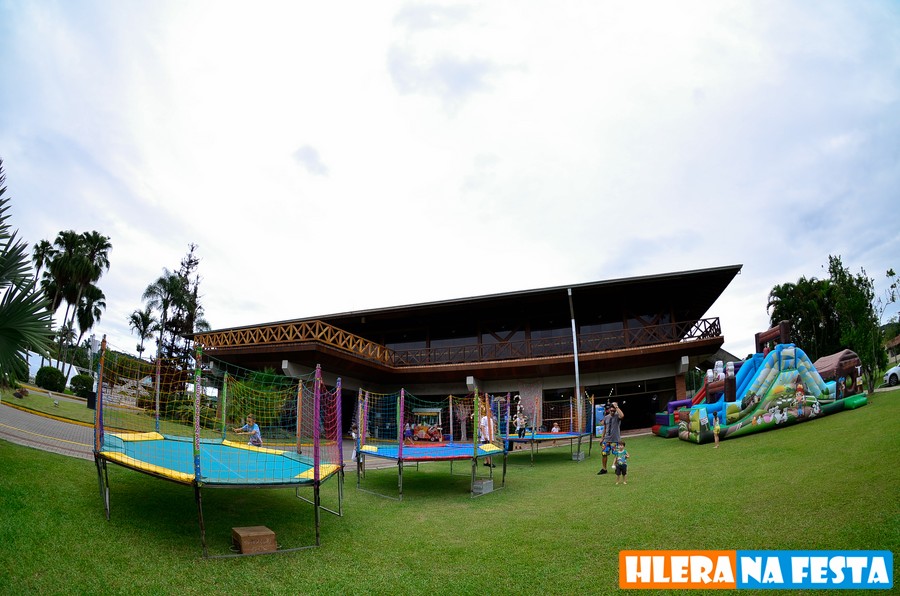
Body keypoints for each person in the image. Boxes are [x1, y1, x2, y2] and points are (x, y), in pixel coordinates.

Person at [597, 402, 623, 475]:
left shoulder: (617, 416)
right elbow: (605, 428)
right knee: (604, 454)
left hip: (616, 440)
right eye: (611, 411)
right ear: (609, 410)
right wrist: (602, 438)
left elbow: (622, 415)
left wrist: (616, 407)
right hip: (607, 440)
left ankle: (617, 468)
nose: (612, 412)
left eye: (614, 411)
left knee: (617, 454)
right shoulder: (606, 417)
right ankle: (604, 469)